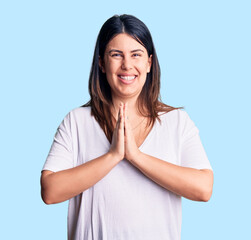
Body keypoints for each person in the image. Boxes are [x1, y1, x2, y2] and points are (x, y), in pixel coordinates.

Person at [40, 14, 213, 240]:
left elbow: (204, 189)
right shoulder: (77, 121)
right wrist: (113, 156)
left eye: (136, 55)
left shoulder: (177, 121)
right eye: (116, 55)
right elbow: (50, 191)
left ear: (149, 63)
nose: (127, 65)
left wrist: (136, 156)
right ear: (101, 63)